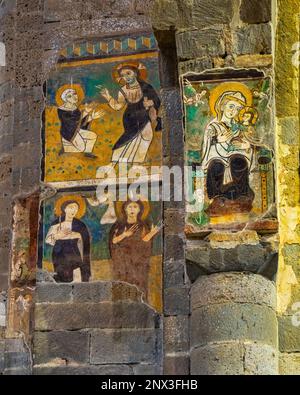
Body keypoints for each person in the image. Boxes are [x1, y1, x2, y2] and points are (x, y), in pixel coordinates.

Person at [202, 89, 255, 213]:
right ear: (222, 106)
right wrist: (216, 139)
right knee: (216, 165)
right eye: (231, 106)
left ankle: (241, 196)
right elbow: (207, 145)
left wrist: (245, 146)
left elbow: (248, 143)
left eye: (237, 109)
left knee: (238, 160)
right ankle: (216, 197)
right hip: (216, 155)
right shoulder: (213, 126)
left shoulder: (239, 127)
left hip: (235, 155)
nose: (233, 111)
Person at [99, 62, 161, 164]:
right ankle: (117, 157)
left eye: (128, 73)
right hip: (130, 118)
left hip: (143, 115)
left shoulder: (146, 87)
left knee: (147, 135)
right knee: (129, 138)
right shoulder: (122, 90)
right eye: (123, 75)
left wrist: (150, 102)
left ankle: (138, 160)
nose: (126, 77)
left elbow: (156, 100)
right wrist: (108, 96)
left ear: (135, 73)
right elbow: (118, 106)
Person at [109, 200, 161, 301]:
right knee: (123, 287)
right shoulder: (118, 226)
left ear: (139, 210)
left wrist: (152, 233)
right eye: (130, 207)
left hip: (138, 262)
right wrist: (124, 234)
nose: (132, 209)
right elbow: (113, 242)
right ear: (125, 209)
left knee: (139, 286)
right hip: (123, 262)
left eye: (135, 207)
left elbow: (145, 242)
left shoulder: (143, 226)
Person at [45, 199, 91, 283]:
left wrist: (77, 235)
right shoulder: (57, 223)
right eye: (71, 207)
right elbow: (48, 240)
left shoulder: (80, 224)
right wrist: (58, 236)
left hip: (74, 254)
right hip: (60, 255)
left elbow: (85, 240)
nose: (74, 210)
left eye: (76, 208)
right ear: (64, 209)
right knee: (63, 278)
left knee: (76, 278)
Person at [57, 87, 104, 158]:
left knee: (93, 136)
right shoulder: (61, 110)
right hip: (68, 132)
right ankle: (66, 148)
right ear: (65, 99)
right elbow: (72, 123)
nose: (73, 97)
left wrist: (91, 117)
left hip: (76, 130)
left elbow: (80, 123)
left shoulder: (75, 108)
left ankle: (87, 153)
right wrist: (85, 112)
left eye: (74, 94)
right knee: (81, 148)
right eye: (69, 96)